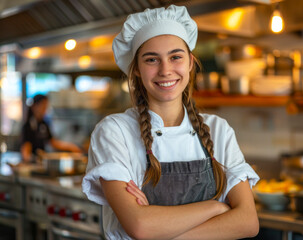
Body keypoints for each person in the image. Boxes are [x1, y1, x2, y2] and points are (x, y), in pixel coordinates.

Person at [82, 5, 260, 240]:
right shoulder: (114, 132)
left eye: (175, 57)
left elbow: (247, 222)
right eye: (151, 59)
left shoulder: (218, 130)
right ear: (136, 70)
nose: (165, 70)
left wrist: (161, 228)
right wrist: (216, 209)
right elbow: (140, 226)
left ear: (190, 63)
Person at [20, 94, 82, 162]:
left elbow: (52, 142)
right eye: (43, 106)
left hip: (41, 162)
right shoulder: (28, 126)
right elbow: (26, 149)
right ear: (35, 107)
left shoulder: (43, 124)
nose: (45, 110)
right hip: (33, 163)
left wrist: (71, 147)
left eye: (46, 107)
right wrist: (30, 159)